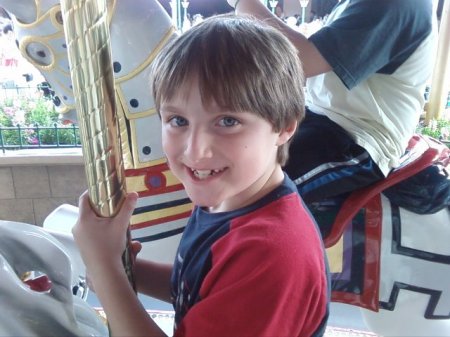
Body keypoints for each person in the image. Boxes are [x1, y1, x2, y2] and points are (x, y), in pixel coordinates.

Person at [72, 14, 330, 337]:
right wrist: (126, 270)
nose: (195, 151)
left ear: (284, 126)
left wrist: (106, 269)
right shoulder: (228, 198)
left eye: (227, 121)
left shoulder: (272, 253)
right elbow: (203, 286)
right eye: (178, 121)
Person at [228, 0, 437, 203]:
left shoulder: (392, 4)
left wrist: (244, 3)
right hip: (319, 116)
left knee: (240, 187)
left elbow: (301, 61)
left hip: (357, 136)